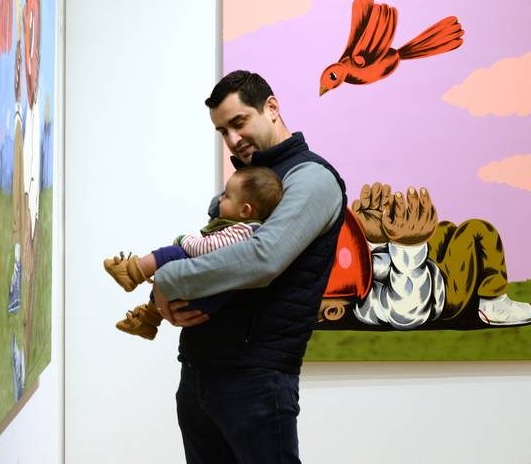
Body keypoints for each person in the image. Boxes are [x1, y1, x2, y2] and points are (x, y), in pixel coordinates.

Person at [151, 70, 347, 463]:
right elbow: (210, 254)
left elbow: (262, 258)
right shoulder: (252, 180)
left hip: (255, 381)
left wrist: (166, 279)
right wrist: (172, 301)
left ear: (271, 108)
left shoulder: (313, 180)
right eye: (222, 131)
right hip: (200, 374)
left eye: (238, 123)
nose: (233, 140)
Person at [103, 166, 283, 340]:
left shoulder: (243, 231)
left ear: (245, 210)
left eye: (227, 196)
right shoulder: (244, 229)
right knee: (173, 268)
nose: (220, 200)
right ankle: (147, 320)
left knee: (174, 254)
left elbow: (205, 249)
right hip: (208, 299)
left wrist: (183, 239)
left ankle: (131, 273)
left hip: (207, 294)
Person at [348, 182, 531, 329]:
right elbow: (406, 312)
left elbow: (376, 269)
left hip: (427, 273)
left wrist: (376, 241)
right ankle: (494, 303)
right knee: (478, 230)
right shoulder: (366, 309)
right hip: (443, 297)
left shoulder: (350, 282)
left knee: (444, 229)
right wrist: (409, 245)